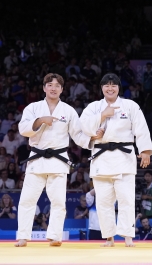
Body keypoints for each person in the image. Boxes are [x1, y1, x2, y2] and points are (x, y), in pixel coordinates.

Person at [15, 73, 93, 247]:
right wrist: (40, 120)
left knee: (58, 201)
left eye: (57, 85)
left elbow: (78, 135)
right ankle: (23, 236)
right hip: (37, 159)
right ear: (44, 88)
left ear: (62, 89)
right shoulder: (33, 108)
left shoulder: (68, 111)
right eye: (50, 84)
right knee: (27, 199)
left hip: (58, 160)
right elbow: (23, 129)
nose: (53, 88)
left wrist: (93, 142)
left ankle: (55, 236)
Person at [80, 73, 152, 247]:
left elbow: (141, 129)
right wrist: (102, 116)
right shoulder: (94, 107)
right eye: (106, 85)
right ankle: (109, 237)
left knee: (126, 199)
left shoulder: (129, 106)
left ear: (119, 88)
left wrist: (145, 151)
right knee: (104, 201)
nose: (110, 88)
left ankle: (128, 236)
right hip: (101, 157)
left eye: (113, 85)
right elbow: (82, 126)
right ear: (101, 88)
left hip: (124, 157)